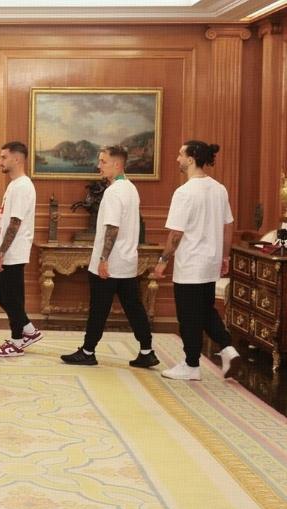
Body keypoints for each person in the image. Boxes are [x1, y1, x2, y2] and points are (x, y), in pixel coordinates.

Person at [61, 146, 158, 368]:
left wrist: (103, 259)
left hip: (110, 263)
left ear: (117, 164)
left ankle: (88, 352)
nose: (99, 166)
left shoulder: (114, 192)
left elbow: (112, 228)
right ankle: (147, 350)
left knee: (98, 308)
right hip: (127, 261)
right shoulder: (131, 188)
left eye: (103, 161)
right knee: (134, 307)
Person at [153, 141, 242, 381]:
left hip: (191, 263)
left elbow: (176, 234)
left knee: (188, 316)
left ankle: (191, 365)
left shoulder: (184, 192)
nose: (177, 159)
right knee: (205, 310)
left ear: (191, 159)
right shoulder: (219, 189)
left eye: (180, 155)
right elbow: (228, 226)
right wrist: (225, 256)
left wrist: (163, 261)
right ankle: (228, 349)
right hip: (210, 262)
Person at [0, 141, 43, 357]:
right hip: (3, 250)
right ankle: (29, 330)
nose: (0, 161)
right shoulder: (14, 184)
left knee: (12, 297)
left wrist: (1, 253)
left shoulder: (22, 186)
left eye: (4, 157)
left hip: (12, 252)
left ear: (17, 159)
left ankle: (17, 342)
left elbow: (15, 222)